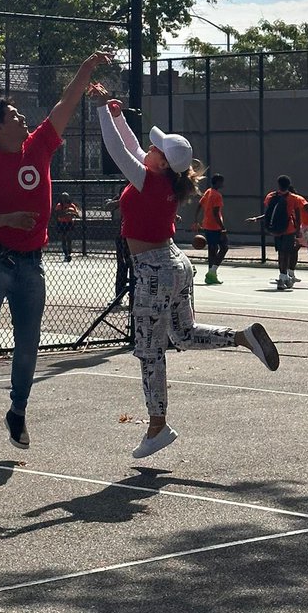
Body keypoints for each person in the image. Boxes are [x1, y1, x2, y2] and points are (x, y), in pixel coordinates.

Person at [92, 90, 279, 460]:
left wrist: (101, 111)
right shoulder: (164, 179)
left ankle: (157, 425)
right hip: (174, 264)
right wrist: (117, 115)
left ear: (161, 162)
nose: (150, 147)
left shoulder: (148, 178)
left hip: (153, 270)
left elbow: (119, 152)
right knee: (183, 333)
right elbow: (132, 147)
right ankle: (242, 337)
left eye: (156, 148)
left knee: (149, 351)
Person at [0, 51, 111, 451]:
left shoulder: (39, 147)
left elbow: (64, 103)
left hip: (31, 263)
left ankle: (17, 412)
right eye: (14, 115)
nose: (23, 119)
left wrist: (85, 68)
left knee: (28, 340)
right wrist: (8, 219)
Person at [246, 175, 308, 292]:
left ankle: (282, 277)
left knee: (281, 254)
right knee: (287, 254)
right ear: (288, 185)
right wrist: (297, 229)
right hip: (288, 229)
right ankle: (284, 278)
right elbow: (297, 215)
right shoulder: (294, 198)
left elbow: (269, 213)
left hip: (276, 229)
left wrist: (257, 219)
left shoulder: (270, 196)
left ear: (278, 184)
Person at [193, 173, 227, 285]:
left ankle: (211, 275)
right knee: (224, 247)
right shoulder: (217, 195)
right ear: (217, 182)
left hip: (207, 225)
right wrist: (222, 228)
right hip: (215, 226)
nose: (222, 184)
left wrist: (196, 220)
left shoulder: (208, 192)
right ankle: (212, 272)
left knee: (212, 251)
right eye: (221, 182)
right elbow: (216, 213)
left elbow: (199, 205)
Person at [106, 185, 132, 304]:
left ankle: (134, 297)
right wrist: (121, 200)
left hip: (137, 234)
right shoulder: (124, 189)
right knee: (122, 265)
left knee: (136, 267)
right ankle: (119, 296)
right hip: (122, 235)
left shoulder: (143, 184)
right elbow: (108, 205)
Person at [52, 192, 80, 261]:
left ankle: (69, 253)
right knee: (63, 238)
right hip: (62, 223)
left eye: (66, 197)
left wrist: (72, 213)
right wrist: (66, 212)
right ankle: (65, 254)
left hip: (69, 223)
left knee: (69, 238)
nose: (64, 199)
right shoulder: (59, 205)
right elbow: (58, 214)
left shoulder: (72, 205)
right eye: (63, 197)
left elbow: (77, 214)